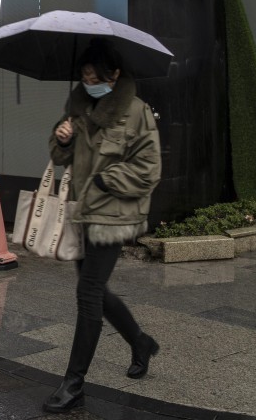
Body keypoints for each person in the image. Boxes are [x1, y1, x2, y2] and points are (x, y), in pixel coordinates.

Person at [42, 39, 163, 414]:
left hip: (113, 215)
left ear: (113, 75)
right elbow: (61, 156)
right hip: (82, 212)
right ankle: (140, 342)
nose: (88, 81)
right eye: (83, 75)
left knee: (88, 293)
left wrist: (106, 180)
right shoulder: (78, 108)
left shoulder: (137, 112)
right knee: (94, 290)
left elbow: (150, 168)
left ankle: (73, 384)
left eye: (95, 76)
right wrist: (62, 140)